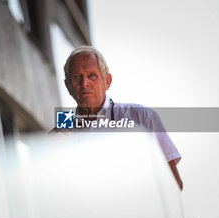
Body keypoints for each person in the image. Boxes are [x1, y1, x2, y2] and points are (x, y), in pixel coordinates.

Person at [52, 45, 183, 190]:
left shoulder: (141, 117)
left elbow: (174, 184)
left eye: (92, 75)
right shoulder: (62, 129)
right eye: (77, 77)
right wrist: (52, 150)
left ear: (107, 81)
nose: (84, 84)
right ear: (68, 86)